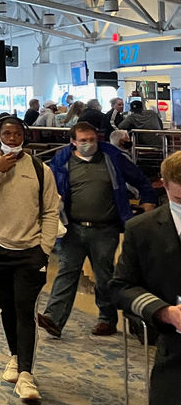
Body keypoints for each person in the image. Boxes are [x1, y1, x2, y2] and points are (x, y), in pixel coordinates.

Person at [0, 117, 60, 405]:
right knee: (7, 308)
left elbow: (51, 211)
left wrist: (44, 249)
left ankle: (26, 375)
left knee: (25, 309)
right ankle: (15, 356)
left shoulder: (40, 169)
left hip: (30, 252)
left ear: (25, 136)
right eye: (7, 133)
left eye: (17, 133)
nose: (12, 136)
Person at [39, 121, 157, 339]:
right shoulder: (62, 161)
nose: (88, 144)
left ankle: (107, 318)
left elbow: (140, 180)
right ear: (73, 141)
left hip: (105, 228)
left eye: (92, 140)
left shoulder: (111, 157)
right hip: (71, 227)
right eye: (83, 141)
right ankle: (54, 318)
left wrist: (148, 201)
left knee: (104, 275)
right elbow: (50, 189)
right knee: (67, 271)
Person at [111, 150, 181, 405]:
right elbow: (121, 288)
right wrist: (164, 312)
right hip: (176, 359)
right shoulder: (142, 229)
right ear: (163, 185)